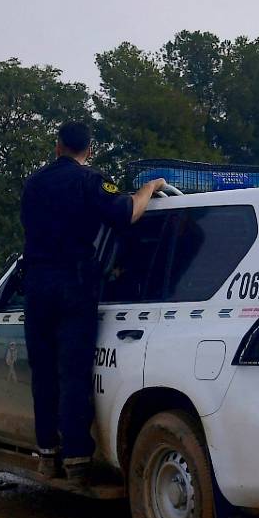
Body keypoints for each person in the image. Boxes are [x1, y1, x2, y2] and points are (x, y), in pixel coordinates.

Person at [20, 121, 164, 480]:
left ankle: (46, 455)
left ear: (57, 147)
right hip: (75, 285)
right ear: (89, 150)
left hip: (36, 286)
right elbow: (127, 213)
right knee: (73, 373)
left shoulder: (34, 184)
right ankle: (77, 460)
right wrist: (149, 188)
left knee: (43, 372)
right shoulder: (89, 181)